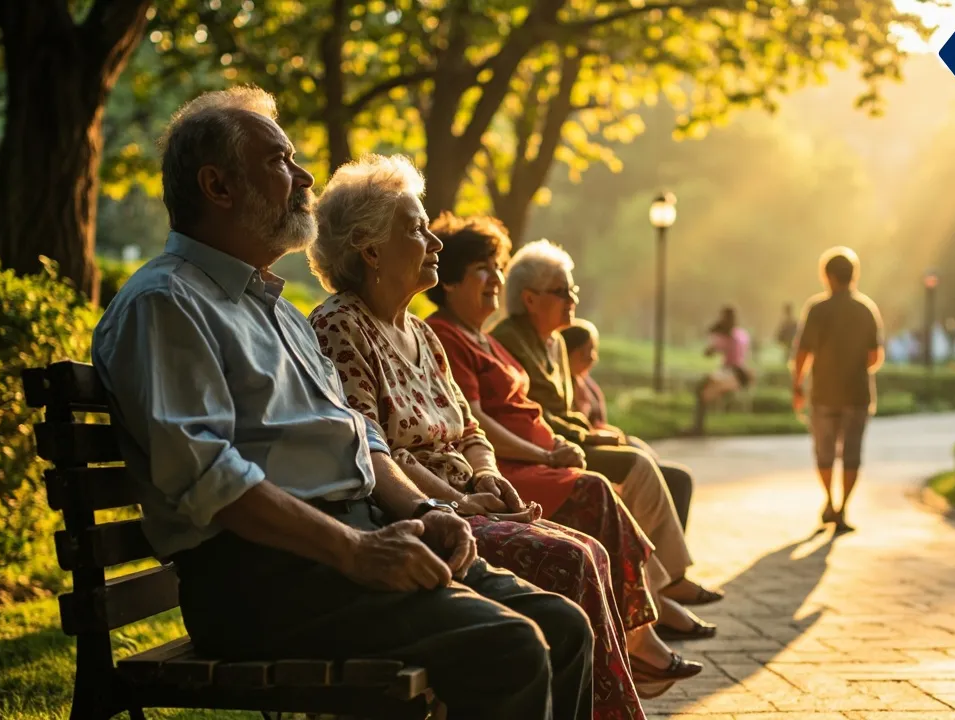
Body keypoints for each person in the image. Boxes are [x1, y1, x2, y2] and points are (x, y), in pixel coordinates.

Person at [91, 88, 593, 719]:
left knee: (563, 623)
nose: (303, 177)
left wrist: (429, 508)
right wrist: (354, 551)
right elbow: (209, 478)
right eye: (279, 161)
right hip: (263, 579)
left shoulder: (277, 311)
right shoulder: (166, 304)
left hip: (346, 542)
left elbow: (358, 436)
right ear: (217, 186)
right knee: (510, 647)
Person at [306, 154, 681, 718]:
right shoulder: (340, 325)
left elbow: (472, 427)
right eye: (416, 228)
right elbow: (373, 447)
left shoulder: (421, 336)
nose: (434, 241)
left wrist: (485, 474)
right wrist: (457, 500)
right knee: (576, 561)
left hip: (470, 500)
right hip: (420, 518)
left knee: (589, 552)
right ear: (370, 249)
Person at [423, 213, 711, 694]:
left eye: (497, 268)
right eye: (483, 269)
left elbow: (532, 410)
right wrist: (549, 452)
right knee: (598, 489)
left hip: (533, 457)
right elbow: (477, 422)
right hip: (514, 465)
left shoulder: (486, 338)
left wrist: (560, 444)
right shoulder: (446, 336)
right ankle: (640, 637)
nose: (497, 279)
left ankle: (642, 626)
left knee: (624, 479)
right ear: (450, 279)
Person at [492, 240, 724, 631]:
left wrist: (594, 433)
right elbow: (534, 413)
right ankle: (668, 587)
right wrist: (590, 437)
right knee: (635, 465)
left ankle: (661, 588)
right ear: (529, 299)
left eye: (573, 290)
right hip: (545, 448)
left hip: (569, 438)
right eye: (562, 292)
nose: (572, 299)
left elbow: (565, 410)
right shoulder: (508, 339)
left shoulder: (554, 342)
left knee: (661, 466)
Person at [560, 319, 694, 531]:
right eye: (585, 351)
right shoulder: (560, 387)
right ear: (567, 352)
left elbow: (598, 423)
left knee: (673, 476)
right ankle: (656, 548)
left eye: (593, 350)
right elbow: (576, 430)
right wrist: (604, 436)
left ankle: (665, 547)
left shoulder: (586, 384)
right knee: (678, 479)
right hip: (590, 454)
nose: (592, 357)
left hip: (611, 447)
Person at [792, 246, 885, 534]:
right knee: (852, 453)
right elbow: (875, 358)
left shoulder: (817, 309)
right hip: (857, 394)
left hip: (823, 393)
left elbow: (803, 352)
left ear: (828, 276)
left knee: (824, 452)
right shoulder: (865, 309)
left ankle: (829, 502)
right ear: (853, 275)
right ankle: (843, 507)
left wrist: (797, 385)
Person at [690, 306, 753, 435]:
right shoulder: (742, 335)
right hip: (739, 373)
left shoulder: (728, 338)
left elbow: (708, 353)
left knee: (703, 392)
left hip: (732, 374)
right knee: (705, 389)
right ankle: (699, 426)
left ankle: (698, 427)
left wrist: (714, 336)